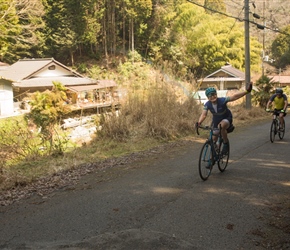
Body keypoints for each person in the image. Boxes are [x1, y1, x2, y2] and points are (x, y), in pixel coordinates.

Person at [196, 83, 253, 154]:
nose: (213, 97)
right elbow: (204, 114)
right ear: (208, 98)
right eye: (210, 96)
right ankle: (213, 158)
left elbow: (234, 97)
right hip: (216, 121)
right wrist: (199, 122)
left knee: (221, 126)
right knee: (212, 141)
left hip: (227, 118)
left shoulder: (222, 100)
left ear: (216, 94)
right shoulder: (207, 104)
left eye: (214, 94)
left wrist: (247, 92)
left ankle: (225, 144)